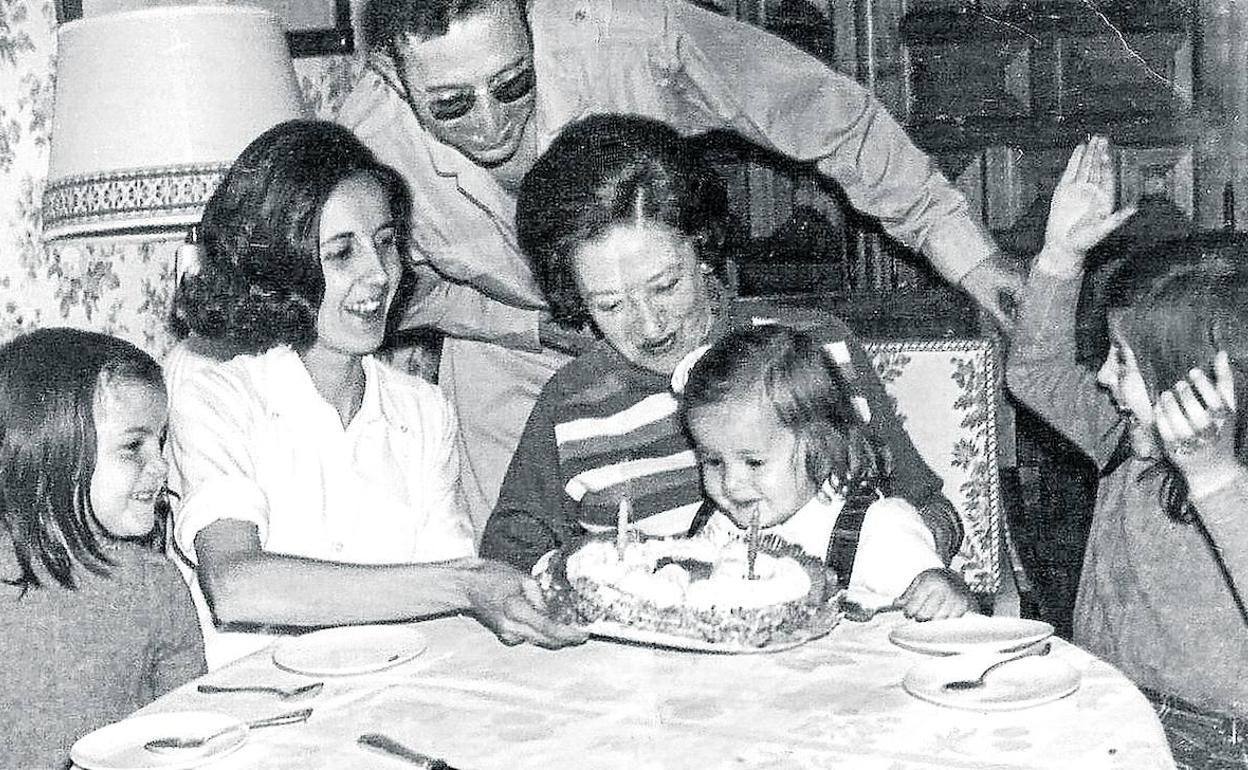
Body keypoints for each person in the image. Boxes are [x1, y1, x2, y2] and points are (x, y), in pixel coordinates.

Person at [338, 0, 1021, 533]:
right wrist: (516, 325)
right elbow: (385, 290)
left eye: (513, 84)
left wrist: (968, 252)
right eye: (451, 105)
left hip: (697, 342)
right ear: (391, 78)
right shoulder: (361, 143)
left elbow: (824, 114)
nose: (491, 124)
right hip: (509, 370)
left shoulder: (634, 38)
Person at [166, 119, 585, 669]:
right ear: (281, 264)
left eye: (384, 243)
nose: (379, 273)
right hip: (260, 719)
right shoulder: (211, 383)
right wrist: (465, 584)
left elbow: (446, 600)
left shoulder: (422, 410)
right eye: (341, 253)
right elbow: (239, 584)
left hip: (393, 700)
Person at [480, 114, 964, 578]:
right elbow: (509, 558)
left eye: (666, 286)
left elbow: (932, 508)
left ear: (703, 247)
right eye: (610, 305)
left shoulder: (812, 348)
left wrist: (899, 560)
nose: (649, 327)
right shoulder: (571, 403)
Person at [1007, 135, 1248, 764]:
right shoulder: (1128, 441)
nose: (1104, 377)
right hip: (1104, 702)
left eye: (1124, 361)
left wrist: (1214, 476)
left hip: (1212, 741)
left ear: (1193, 374)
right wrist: (1060, 255)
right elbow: (1034, 373)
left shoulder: (1232, 481)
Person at [0, 328, 205, 770]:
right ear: (53, 454)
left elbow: (189, 726)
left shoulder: (156, 583)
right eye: (134, 446)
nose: (162, 466)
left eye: (161, 442)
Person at [680, 323, 974, 620]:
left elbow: (945, 603)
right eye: (713, 461)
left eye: (754, 462)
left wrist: (943, 591)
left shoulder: (878, 528)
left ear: (821, 448)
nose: (731, 483)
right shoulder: (720, 525)